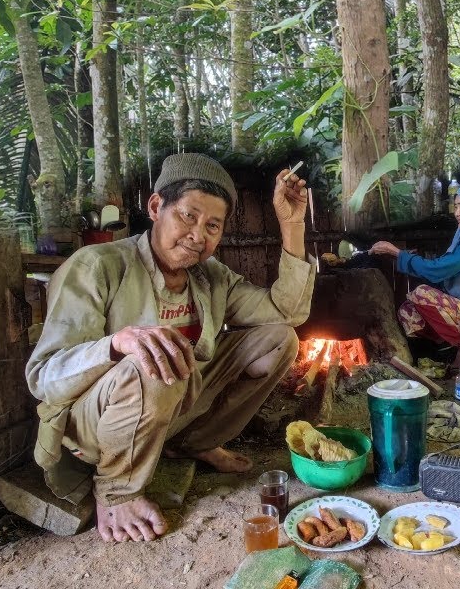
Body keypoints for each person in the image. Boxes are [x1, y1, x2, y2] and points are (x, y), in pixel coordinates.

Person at [25, 154, 315, 543]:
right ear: (156, 206)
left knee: (279, 339)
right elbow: (43, 377)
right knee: (152, 360)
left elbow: (287, 312)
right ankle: (117, 489)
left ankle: (194, 442)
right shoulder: (97, 265)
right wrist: (117, 344)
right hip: (97, 427)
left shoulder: (211, 277)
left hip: (172, 405)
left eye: (213, 226)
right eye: (188, 217)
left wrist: (291, 225)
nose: (199, 236)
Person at [370, 180, 460, 379]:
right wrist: (411, 257)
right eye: (455, 206)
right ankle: (449, 349)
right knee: (408, 311)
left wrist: (397, 253)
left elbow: (440, 270)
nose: (456, 213)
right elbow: (448, 265)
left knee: (422, 294)